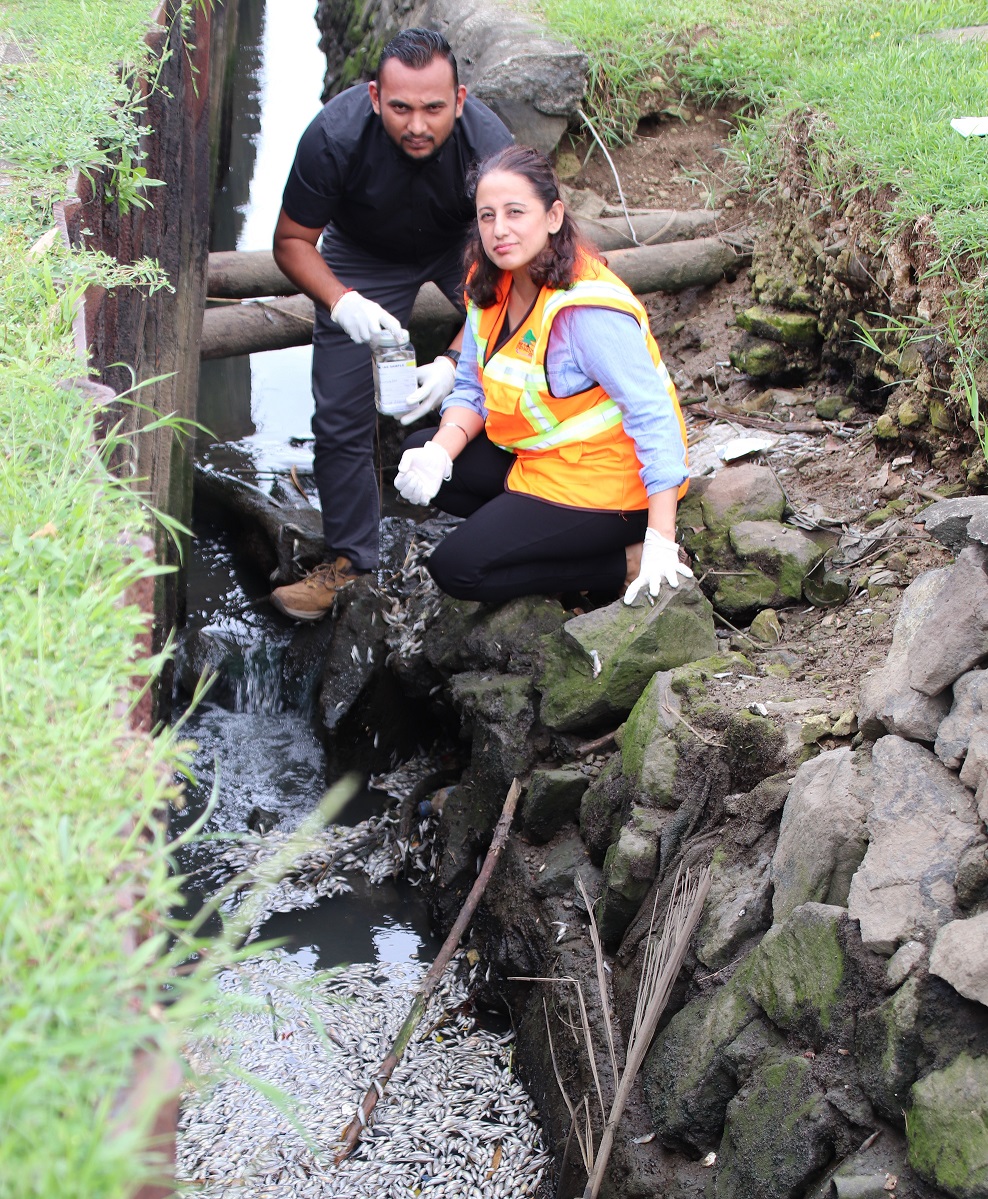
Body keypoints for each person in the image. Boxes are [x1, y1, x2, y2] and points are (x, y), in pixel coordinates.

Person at [268, 28, 512, 621]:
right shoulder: (334, 136)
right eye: (401, 108)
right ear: (375, 97)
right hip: (362, 252)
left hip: (464, 242)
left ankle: (526, 506)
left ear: (460, 99)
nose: (418, 125)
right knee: (339, 411)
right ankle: (352, 559)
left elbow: (517, 276)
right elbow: (292, 241)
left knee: (519, 342)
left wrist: (455, 358)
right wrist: (342, 301)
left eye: (434, 108)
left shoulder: (488, 145)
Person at [394, 144, 692, 606]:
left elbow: (654, 415)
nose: (500, 230)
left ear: (554, 216)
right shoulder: (490, 281)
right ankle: (534, 534)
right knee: (418, 449)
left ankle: (624, 561)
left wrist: (661, 536)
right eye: (487, 216)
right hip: (540, 458)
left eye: (516, 212)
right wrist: (439, 452)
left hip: (609, 484)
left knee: (457, 568)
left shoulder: (586, 310)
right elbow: (472, 386)